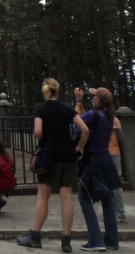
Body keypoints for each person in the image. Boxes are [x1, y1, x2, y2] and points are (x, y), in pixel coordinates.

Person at [18, 77, 89, 252]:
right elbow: (85, 130)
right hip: (68, 156)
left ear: (44, 90)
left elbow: (37, 131)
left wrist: (43, 141)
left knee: (43, 197)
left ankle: (35, 236)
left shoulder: (40, 108)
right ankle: (66, 240)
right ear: (58, 90)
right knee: (66, 198)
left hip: (49, 157)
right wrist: (79, 147)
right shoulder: (66, 108)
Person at [75, 87, 122, 252]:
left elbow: (77, 120)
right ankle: (111, 240)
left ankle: (95, 240)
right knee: (108, 200)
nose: (93, 99)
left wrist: (78, 100)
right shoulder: (109, 117)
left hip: (93, 161)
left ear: (99, 101)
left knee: (83, 197)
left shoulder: (95, 115)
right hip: (106, 160)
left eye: (94, 97)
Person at [109, 116, 127, 223]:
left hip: (105, 153)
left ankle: (117, 213)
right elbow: (121, 138)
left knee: (111, 184)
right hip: (114, 153)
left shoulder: (100, 118)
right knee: (115, 184)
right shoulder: (114, 120)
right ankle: (120, 213)